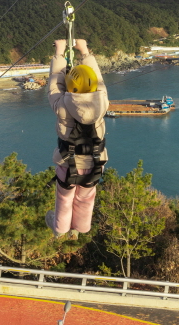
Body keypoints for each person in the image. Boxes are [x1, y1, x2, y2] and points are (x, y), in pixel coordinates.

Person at [46, 38, 109, 238]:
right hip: (95, 162)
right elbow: (98, 79)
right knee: (85, 198)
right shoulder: (102, 100)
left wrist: (59, 53)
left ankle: (60, 229)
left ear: (70, 86)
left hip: (68, 162)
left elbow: (55, 83)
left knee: (64, 199)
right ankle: (80, 229)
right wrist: (84, 51)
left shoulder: (62, 105)